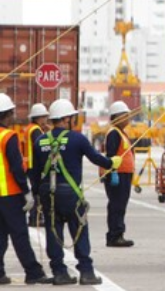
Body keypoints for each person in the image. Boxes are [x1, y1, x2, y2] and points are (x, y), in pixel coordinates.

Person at [33, 99, 120, 286]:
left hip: (48, 194)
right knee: (79, 230)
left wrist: (35, 196)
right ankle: (86, 272)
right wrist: (112, 163)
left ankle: (59, 273)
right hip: (71, 194)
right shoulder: (77, 139)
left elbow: (35, 172)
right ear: (66, 119)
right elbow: (96, 158)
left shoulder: (40, 141)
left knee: (53, 232)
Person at [0, 94, 51, 286]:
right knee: (20, 234)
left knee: (0, 235)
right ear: (5, 115)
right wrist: (26, 191)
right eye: (11, 112)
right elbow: (16, 167)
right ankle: (33, 272)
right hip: (10, 195)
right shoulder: (8, 136)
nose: (13, 116)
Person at [101, 101, 135, 247]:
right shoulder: (114, 133)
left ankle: (117, 233)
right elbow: (111, 155)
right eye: (125, 115)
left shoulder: (120, 132)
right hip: (118, 176)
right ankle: (115, 235)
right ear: (117, 117)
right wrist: (112, 173)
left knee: (120, 204)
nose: (128, 118)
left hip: (124, 175)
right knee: (117, 205)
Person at [24, 104, 50, 228]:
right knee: (37, 192)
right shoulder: (35, 130)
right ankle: (35, 217)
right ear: (39, 118)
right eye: (44, 117)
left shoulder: (30, 128)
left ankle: (34, 217)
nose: (46, 119)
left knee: (35, 191)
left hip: (30, 165)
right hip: (35, 165)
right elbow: (41, 146)